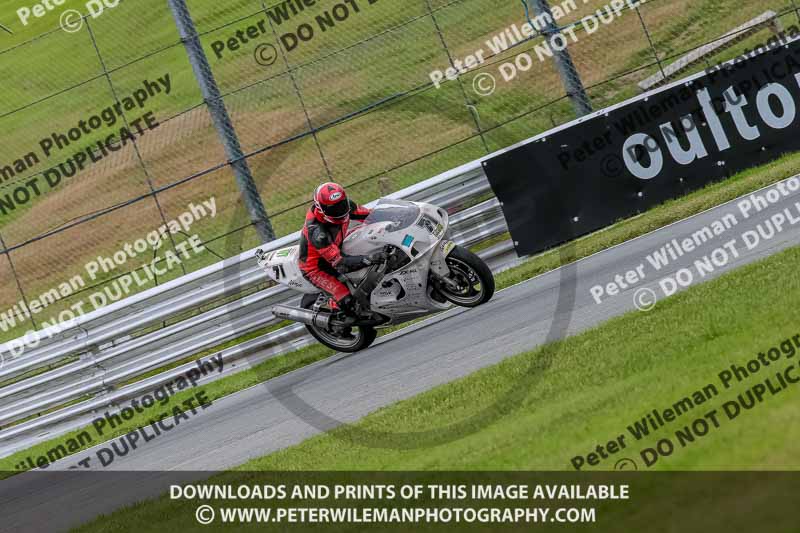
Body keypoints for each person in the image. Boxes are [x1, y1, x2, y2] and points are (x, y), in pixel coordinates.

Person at [298, 182, 383, 317]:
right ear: (321, 209)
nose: (340, 211)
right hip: (317, 268)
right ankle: (331, 311)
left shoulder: (346, 207)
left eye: (341, 205)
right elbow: (341, 264)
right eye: (334, 209)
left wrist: (398, 216)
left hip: (336, 247)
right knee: (347, 301)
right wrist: (369, 259)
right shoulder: (317, 233)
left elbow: (370, 215)